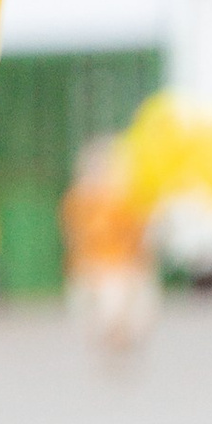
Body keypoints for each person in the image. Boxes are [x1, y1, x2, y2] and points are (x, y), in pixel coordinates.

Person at [60, 135, 157, 361]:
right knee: (102, 308)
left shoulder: (127, 200)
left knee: (120, 306)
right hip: (96, 266)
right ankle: (113, 336)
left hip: (120, 265)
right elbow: (75, 236)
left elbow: (140, 235)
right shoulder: (78, 201)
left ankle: (119, 335)